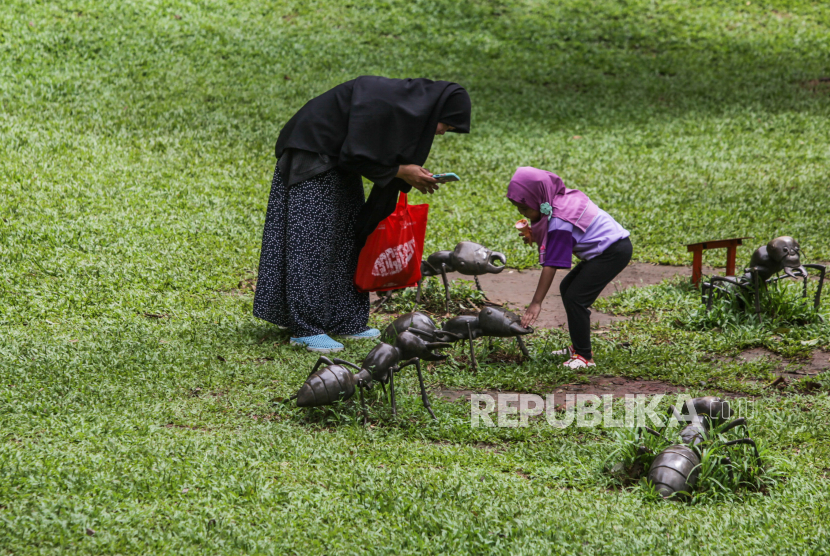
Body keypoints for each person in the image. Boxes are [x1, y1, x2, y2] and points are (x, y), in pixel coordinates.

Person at [254, 76, 471, 353]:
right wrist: (400, 171)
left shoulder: (405, 109)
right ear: (434, 112)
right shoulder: (385, 101)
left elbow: (373, 152)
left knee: (347, 236)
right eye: (446, 125)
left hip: (340, 161)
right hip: (313, 153)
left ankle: (346, 320)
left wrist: (404, 171)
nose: (442, 132)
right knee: (312, 244)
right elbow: (357, 153)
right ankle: (306, 329)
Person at [506, 167, 632, 369]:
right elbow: (558, 233)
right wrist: (533, 234)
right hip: (608, 248)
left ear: (540, 200)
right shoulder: (559, 199)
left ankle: (584, 357)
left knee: (576, 297)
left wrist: (536, 303)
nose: (521, 212)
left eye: (525, 208)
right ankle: (578, 347)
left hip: (611, 252)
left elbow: (551, 264)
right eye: (518, 207)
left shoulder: (559, 221)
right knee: (568, 290)